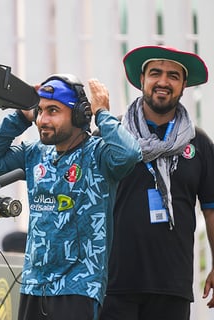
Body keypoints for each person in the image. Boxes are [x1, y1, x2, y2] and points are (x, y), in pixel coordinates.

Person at [0, 74, 141, 320]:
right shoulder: (34, 153)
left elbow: (129, 154)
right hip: (33, 283)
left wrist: (102, 114)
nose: (42, 119)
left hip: (79, 286)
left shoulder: (99, 155)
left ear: (78, 115)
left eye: (53, 111)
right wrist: (21, 117)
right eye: (40, 111)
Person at [99, 45, 214, 320]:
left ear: (184, 85)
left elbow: (211, 210)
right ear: (142, 80)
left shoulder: (198, 142)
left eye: (173, 76)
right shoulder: (111, 136)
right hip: (113, 282)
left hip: (172, 284)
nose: (163, 81)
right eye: (155, 73)